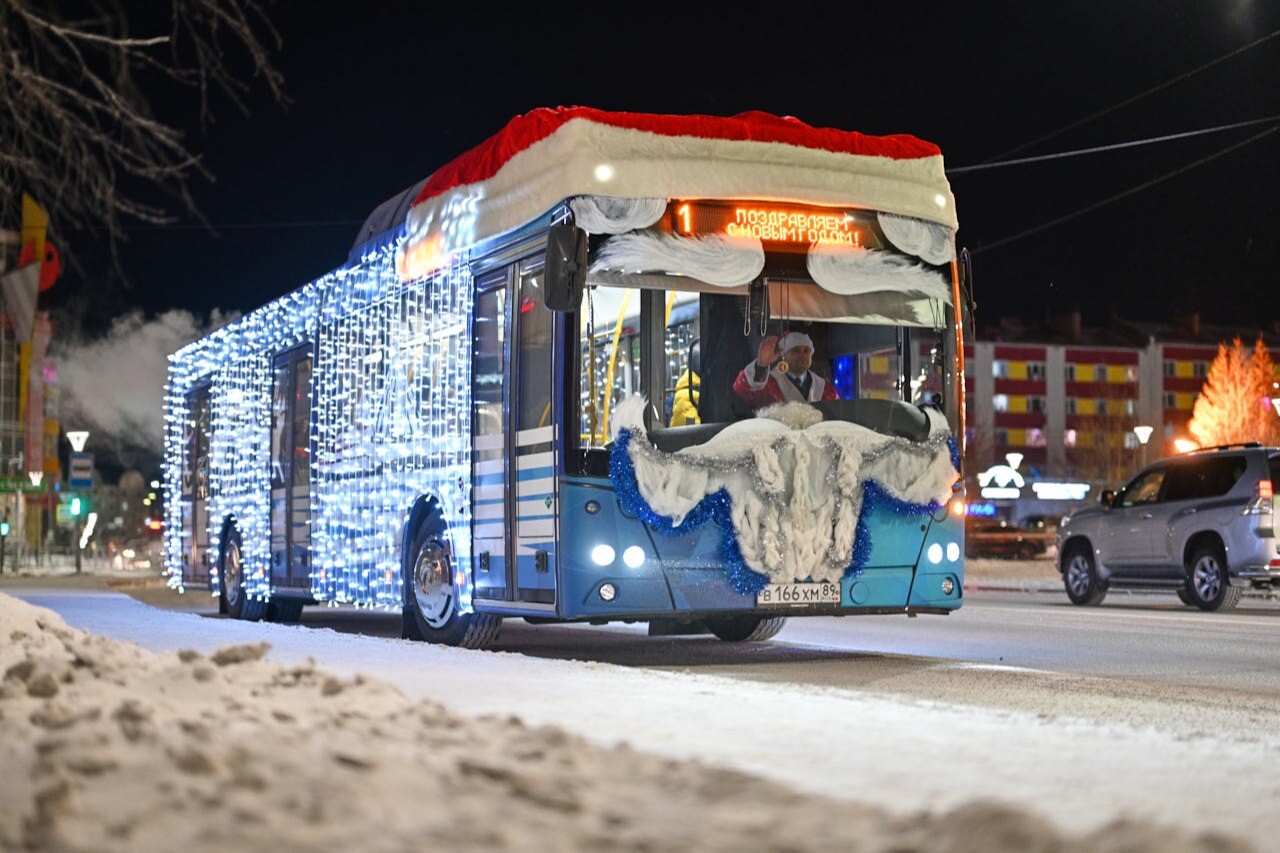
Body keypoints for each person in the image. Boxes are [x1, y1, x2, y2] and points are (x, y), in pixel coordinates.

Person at [733, 331, 839, 408]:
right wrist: (761, 365)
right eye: (796, 351)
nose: (802, 356)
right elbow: (741, 390)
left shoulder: (825, 388)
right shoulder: (767, 383)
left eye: (806, 351)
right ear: (784, 355)